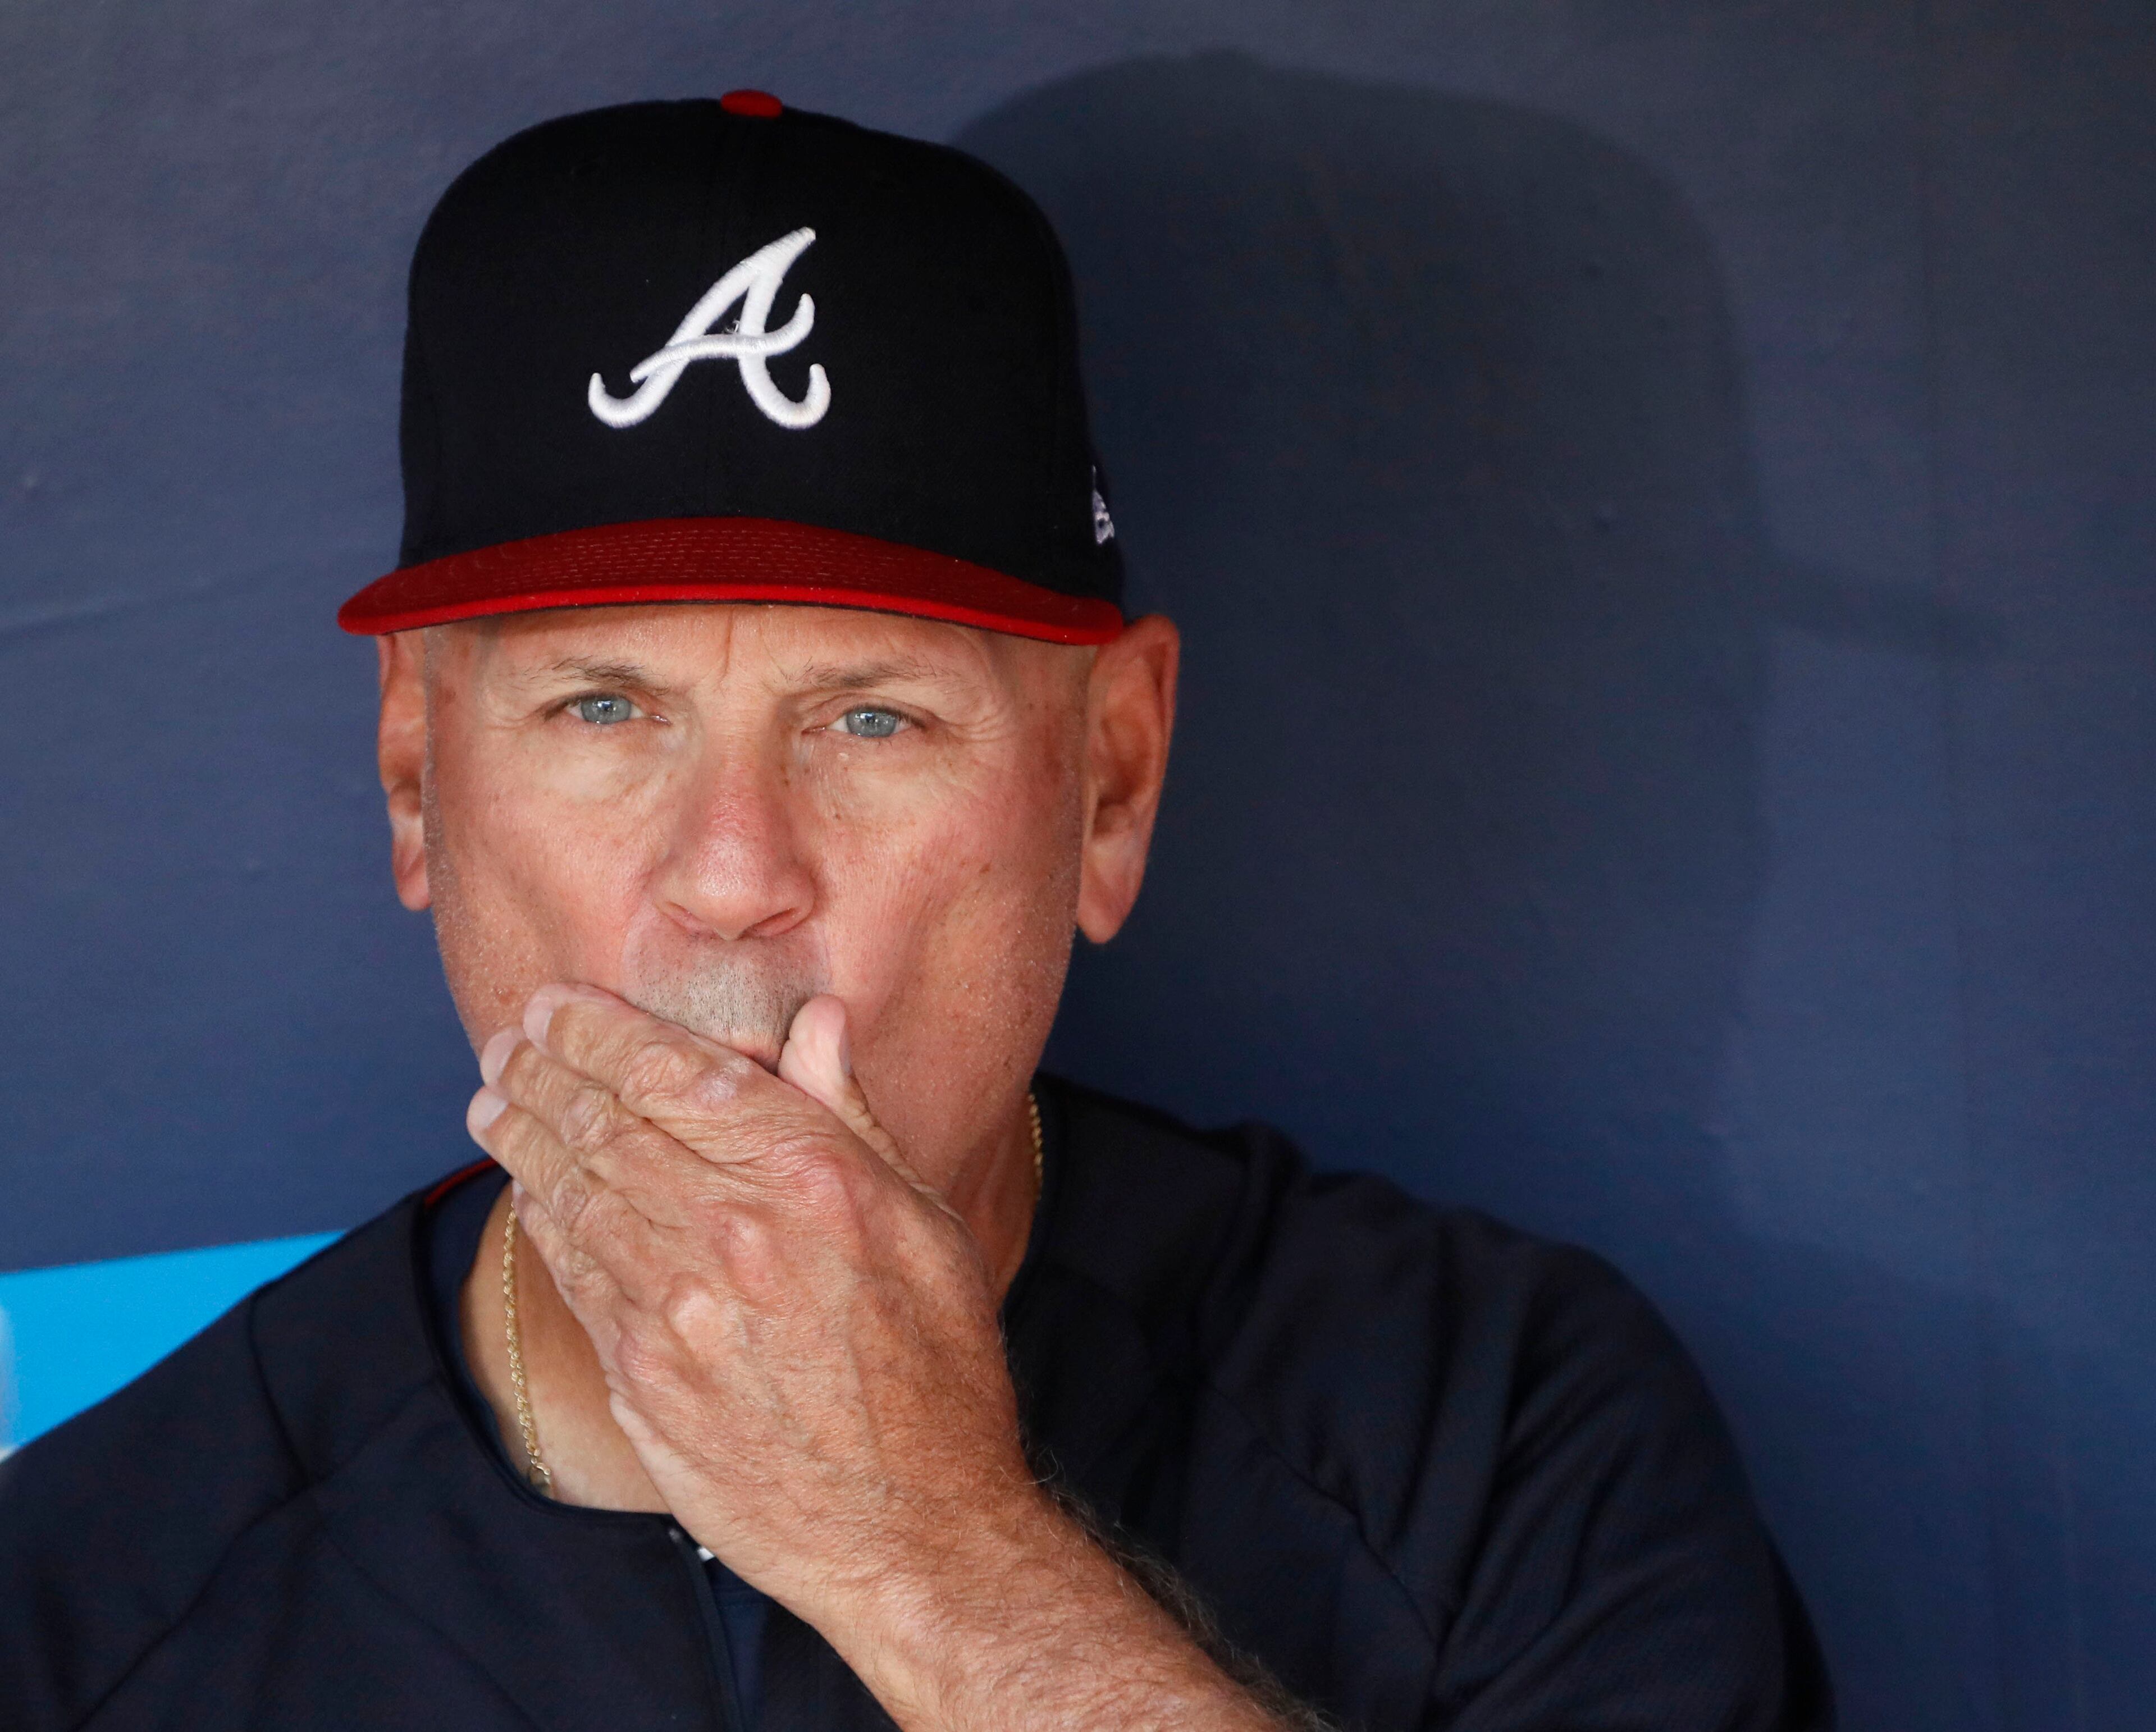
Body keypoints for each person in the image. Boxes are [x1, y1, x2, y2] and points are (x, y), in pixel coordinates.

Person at [0, 95, 1830, 1731]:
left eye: (872, 717)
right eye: (603, 707)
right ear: (416, 774)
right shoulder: (93, 1601)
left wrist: (926, 1559)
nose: (729, 873)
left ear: (1111, 783)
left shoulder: (1483, 1431)